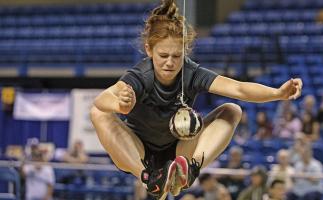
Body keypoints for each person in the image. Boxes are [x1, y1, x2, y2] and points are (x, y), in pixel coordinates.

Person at [90, 0, 303, 198]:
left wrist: (278, 93)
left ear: (185, 52)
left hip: (178, 153)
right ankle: (151, 179)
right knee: (98, 113)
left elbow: (238, 89)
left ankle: (191, 169)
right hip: (138, 153)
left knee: (232, 110)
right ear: (149, 50)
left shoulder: (192, 73)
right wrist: (118, 104)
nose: (170, 63)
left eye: (177, 56)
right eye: (163, 56)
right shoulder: (140, 75)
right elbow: (102, 98)